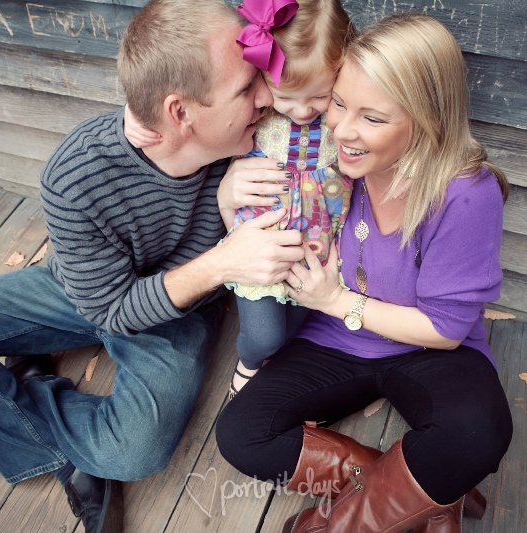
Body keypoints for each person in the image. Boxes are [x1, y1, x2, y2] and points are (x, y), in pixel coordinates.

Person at [0, 1, 304, 532]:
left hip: (179, 314)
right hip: (88, 293)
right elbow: (111, 310)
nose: (267, 97)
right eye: (246, 88)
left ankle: (6, 392)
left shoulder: (261, 140)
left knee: (132, 452)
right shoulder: (76, 175)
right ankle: (41, 424)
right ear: (179, 113)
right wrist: (221, 260)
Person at [216, 13, 513, 533]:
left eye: (372, 118)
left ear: (427, 119)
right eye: (338, 102)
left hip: (426, 348)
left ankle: (331, 526)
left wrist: (336, 301)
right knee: (241, 432)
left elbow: (445, 330)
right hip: (332, 339)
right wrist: (227, 198)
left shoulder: (465, 192)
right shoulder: (323, 160)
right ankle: (429, 493)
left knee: (477, 432)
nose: (341, 129)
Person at [125, 0, 355, 399]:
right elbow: (187, 93)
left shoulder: (343, 114)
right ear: (262, 78)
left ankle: (277, 358)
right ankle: (250, 361)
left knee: (301, 315)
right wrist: (134, 113)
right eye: (286, 96)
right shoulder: (260, 111)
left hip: (319, 241)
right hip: (257, 240)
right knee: (265, 334)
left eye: (320, 96)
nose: (302, 111)